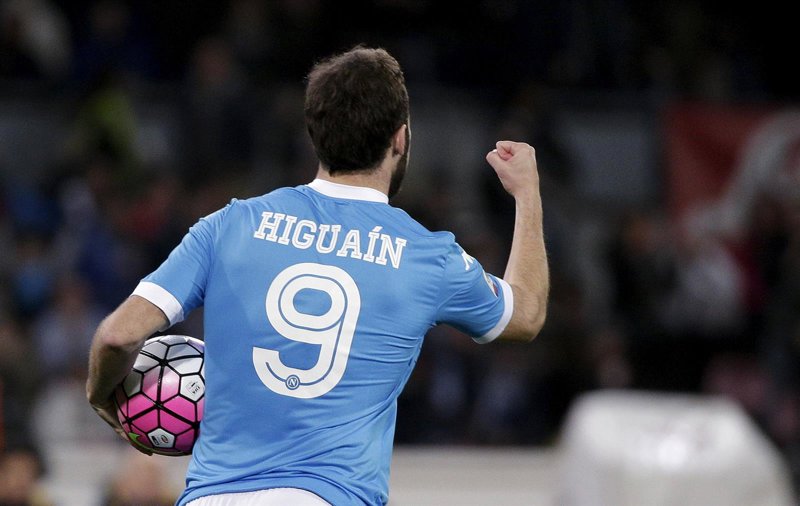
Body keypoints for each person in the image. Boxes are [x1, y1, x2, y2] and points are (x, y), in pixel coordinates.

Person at [86, 46, 549, 506]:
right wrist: (527, 193)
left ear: (314, 135)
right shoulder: (427, 256)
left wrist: (102, 396)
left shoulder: (230, 225)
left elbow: (117, 336)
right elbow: (525, 314)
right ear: (400, 139)